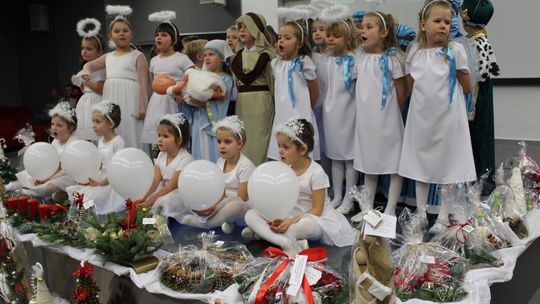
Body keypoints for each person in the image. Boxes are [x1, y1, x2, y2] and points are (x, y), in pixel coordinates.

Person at [398, 0, 475, 231]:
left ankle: (442, 215)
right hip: (422, 118)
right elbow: (411, 85)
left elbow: (466, 85)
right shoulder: (415, 52)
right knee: (420, 164)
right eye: (437, 21)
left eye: (447, 22)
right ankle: (421, 212)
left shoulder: (455, 51)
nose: (443, 26)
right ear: (423, 24)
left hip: (448, 118)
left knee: (447, 165)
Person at [243, 119, 356, 252]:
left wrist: (292, 221)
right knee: (250, 214)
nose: (280, 151)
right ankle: (283, 240)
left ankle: (264, 234)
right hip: (289, 214)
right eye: (279, 146)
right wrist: (278, 218)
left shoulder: (316, 172)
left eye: (286, 147)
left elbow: (317, 210)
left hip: (312, 218)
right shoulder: (283, 169)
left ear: (302, 150)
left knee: (306, 226)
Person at [352, 11, 407, 216]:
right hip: (367, 120)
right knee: (368, 163)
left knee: (393, 162)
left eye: (369, 27)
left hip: (388, 119)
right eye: (362, 27)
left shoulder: (392, 59)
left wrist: (394, 114)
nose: (362, 31)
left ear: (383, 32)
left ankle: (391, 208)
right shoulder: (360, 58)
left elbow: (402, 92)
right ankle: (367, 209)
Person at [81, 5, 149, 150]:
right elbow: (89, 66)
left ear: (131, 33)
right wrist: (86, 72)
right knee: (113, 129)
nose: (122, 34)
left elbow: (144, 84)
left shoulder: (138, 56)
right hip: (111, 97)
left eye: (125, 30)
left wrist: (142, 107)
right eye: (117, 31)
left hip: (130, 98)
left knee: (130, 129)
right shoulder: (108, 56)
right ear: (110, 36)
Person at [181, 116, 255, 233]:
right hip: (223, 203)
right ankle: (224, 222)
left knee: (234, 207)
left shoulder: (246, 166)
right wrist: (210, 205)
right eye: (219, 141)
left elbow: (242, 198)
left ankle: (207, 224)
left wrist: (215, 207)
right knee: (193, 197)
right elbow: (220, 191)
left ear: (239, 143)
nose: (222, 146)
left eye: (227, 142)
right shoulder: (220, 162)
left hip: (241, 207)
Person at [319, 6, 359, 213]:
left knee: (349, 156)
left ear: (348, 38)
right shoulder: (325, 60)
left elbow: (357, 88)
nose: (331, 39)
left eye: (337, 36)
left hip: (348, 112)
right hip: (330, 112)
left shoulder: (353, 60)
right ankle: (337, 194)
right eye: (329, 35)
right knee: (334, 155)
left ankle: (350, 198)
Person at [461, 0, 500, 196]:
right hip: (476, 95)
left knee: (477, 136)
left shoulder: (477, 43)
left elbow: (475, 75)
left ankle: (479, 181)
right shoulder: (473, 40)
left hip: (475, 99)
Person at [268, 19, 320, 161]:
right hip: (282, 114)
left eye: (287, 38)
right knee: (283, 150)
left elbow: (314, 90)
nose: (281, 41)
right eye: (279, 37)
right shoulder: (276, 64)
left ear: (300, 43)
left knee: (300, 149)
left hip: (300, 113)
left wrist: (308, 108)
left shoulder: (304, 63)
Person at [141, 11, 194, 144]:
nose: (159, 38)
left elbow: (191, 78)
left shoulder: (182, 59)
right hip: (157, 102)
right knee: (158, 135)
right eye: (157, 35)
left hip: (175, 101)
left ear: (174, 40)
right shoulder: (153, 61)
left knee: (175, 133)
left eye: (164, 35)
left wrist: (182, 94)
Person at [231, 13, 276, 165]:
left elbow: (272, 83)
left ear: (257, 30)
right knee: (243, 140)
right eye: (240, 27)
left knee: (259, 141)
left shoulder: (266, 55)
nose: (242, 30)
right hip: (242, 103)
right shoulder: (238, 57)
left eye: (246, 27)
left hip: (261, 102)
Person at [66, 100, 125, 214]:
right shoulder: (101, 141)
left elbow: (118, 170)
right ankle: (83, 214)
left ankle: (89, 212)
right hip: (100, 177)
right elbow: (98, 164)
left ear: (110, 124)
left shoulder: (118, 142)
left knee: (90, 197)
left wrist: (100, 183)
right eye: (93, 121)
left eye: (97, 122)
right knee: (79, 192)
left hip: (111, 182)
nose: (93, 125)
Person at [14, 102, 79, 197]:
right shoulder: (55, 142)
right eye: (52, 124)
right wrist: (41, 176)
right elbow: (53, 163)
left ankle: (35, 192)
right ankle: (25, 187)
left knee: (55, 183)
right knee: (27, 173)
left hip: (67, 175)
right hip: (53, 172)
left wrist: (47, 179)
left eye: (59, 125)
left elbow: (64, 170)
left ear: (70, 128)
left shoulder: (73, 143)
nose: (54, 128)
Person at [139, 113, 194, 222]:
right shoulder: (161, 156)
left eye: (165, 136)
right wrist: (144, 198)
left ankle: (160, 229)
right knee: (148, 199)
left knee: (163, 202)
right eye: (159, 135)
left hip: (177, 193)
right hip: (163, 190)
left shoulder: (185, 159)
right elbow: (155, 181)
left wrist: (150, 201)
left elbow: (170, 187)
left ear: (179, 140)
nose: (160, 139)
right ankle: (148, 224)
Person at [189, 40, 234, 162]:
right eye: (205, 55)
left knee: (212, 152)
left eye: (211, 54)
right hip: (198, 120)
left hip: (213, 122)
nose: (207, 58)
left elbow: (221, 100)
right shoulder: (201, 77)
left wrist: (201, 101)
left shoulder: (226, 79)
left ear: (222, 58)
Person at [72, 18, 106, 141]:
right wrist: (81, 83)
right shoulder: (84, 68)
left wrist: (86, 81)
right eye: (82, 48)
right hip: (85, 103)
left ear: (99, 52)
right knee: (84, 134)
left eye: (89, 49)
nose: (84, 51)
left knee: (97, 134)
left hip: (96, 102)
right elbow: (84, 89)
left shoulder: (101, 69)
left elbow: (101, 89)